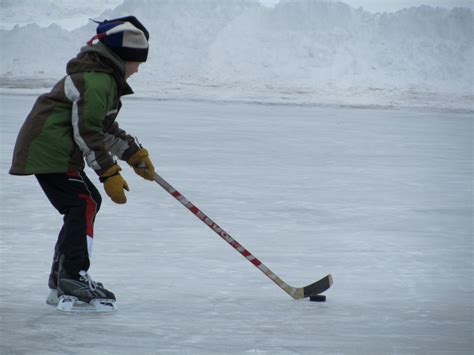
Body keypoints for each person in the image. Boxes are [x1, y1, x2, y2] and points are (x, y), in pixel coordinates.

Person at [9, 16, 155, 313]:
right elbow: (87, 131)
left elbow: (103, 128)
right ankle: (73, 275)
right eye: (136, 61)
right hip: (49, 149)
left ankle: (63, 274)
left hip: (56, 150)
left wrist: (133, 154)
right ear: (122, 57)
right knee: (83, 202)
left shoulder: (102, 80)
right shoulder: (97, 80)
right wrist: (108, 171)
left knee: (86, 201)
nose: (138, 69)